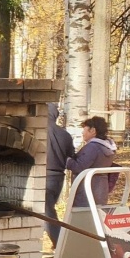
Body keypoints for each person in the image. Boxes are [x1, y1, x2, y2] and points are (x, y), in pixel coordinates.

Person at [66, 115, 118, 208]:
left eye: (85, 129)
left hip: (86, 191)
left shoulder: (92, 147)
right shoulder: (108, 147)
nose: (82, 132)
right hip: (100, 190)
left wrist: (66, 159)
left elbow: (78, 166)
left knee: (83, 219)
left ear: (93, 131)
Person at [45, 102, 74, 247]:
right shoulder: (65, 134)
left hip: (44, 177)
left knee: (46, 212)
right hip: (59, 177)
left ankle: (60, 243)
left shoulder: (39, 131)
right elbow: (72, 156)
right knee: (50, 209)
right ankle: (58, 241)